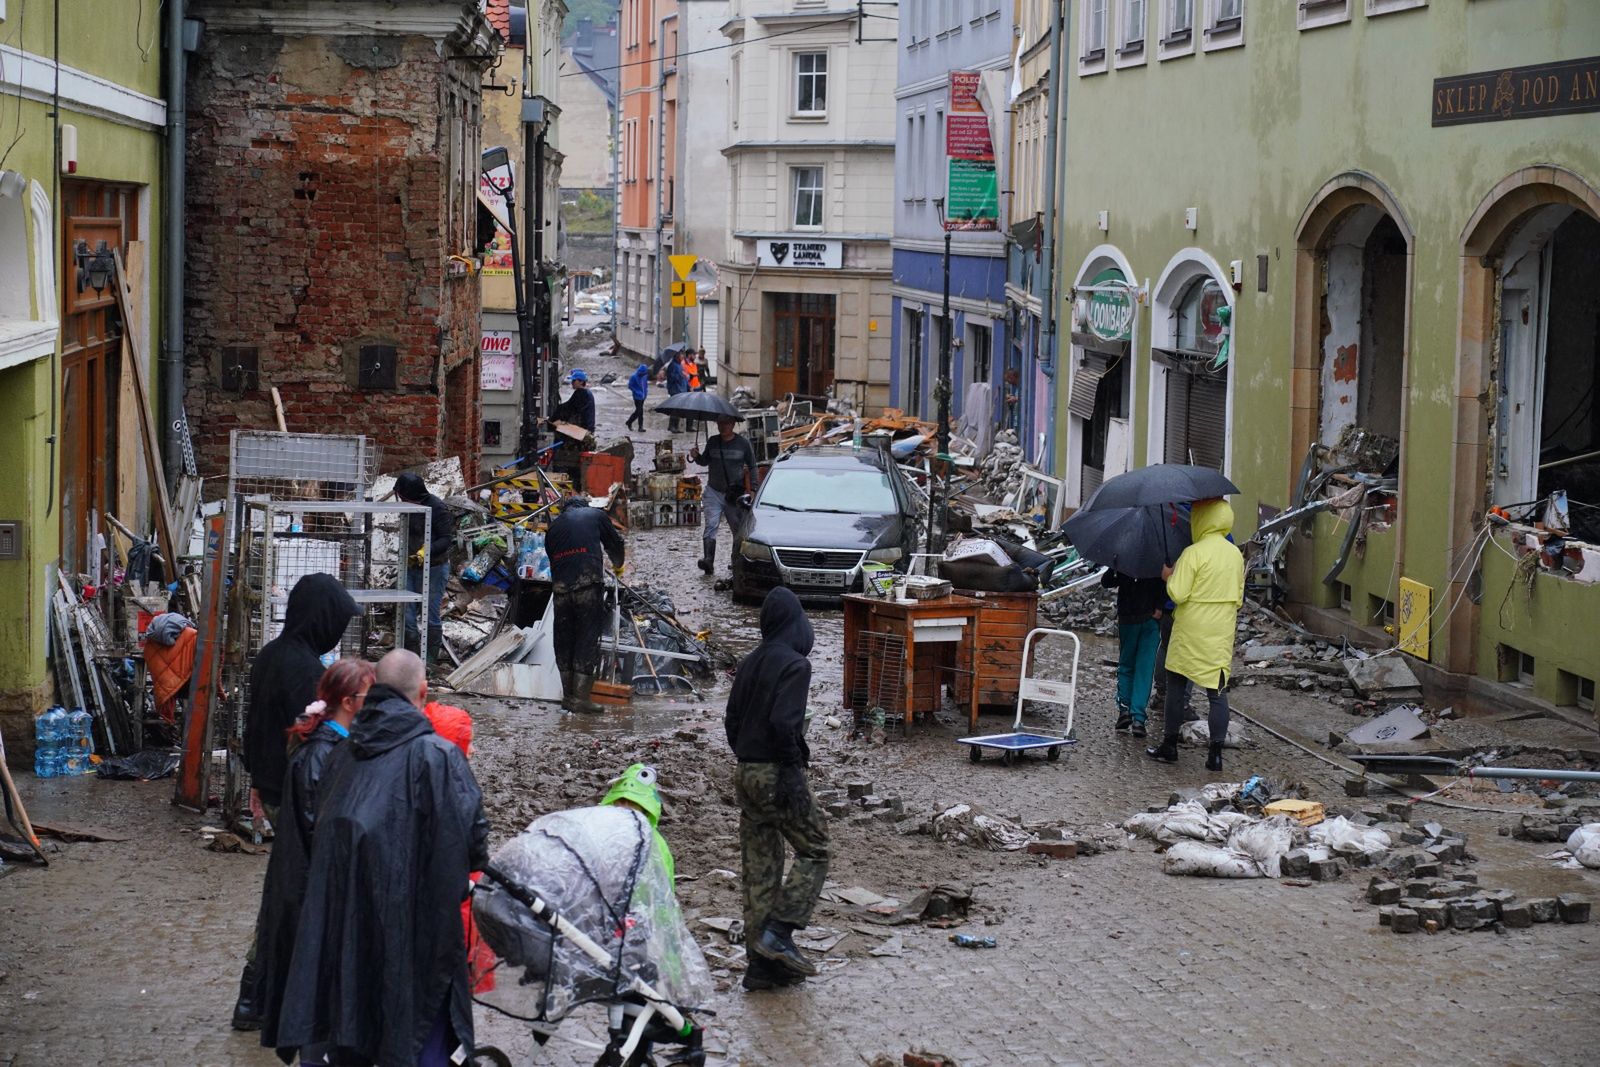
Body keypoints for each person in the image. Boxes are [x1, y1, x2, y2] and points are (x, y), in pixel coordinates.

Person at [275, 650, 489, 1067]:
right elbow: (473, 845)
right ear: (423, 692)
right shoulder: (438, 757)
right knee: (413, 1032)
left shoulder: (339, 752)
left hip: (344, 932)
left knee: (351, 1031)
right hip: (413, 937)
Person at [233, 572, 358, 1032]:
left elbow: (254, 725)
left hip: (275, 791)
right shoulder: (307, 672)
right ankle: (258, 996)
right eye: (337, 622)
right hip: (298, 800)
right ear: (320, 619)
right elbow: (315, 745)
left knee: (289, 895)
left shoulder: (271, 655)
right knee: (294, 898)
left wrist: (256, 781)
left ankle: (264, 996)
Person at [252, 658, 375, 1061]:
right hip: (310, 893)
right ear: (349, 701)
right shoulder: (320, 757)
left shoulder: (327, 747)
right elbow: (318, 832)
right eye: (368, 696)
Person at [723, 588, 830, 989]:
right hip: (775, 773)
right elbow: (787, 724)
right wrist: (788, 771)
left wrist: (748, 757)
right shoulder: (795, 665)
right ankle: (780, 933)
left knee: (760, 869)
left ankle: (761, 966)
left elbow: (731, 720)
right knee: (816, 848)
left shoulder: (751, 661)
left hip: (745, 772)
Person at [1147, 498, 1245, 772]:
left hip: (1191, 629)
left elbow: (1178, 593)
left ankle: (1169, 746)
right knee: (1217, 692)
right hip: (1221, 629)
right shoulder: (1235, 554)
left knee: (1176, 687)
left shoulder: (1193, 553)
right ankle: (1215, 756)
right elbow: (1239, 596)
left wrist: (1169, 576)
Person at [545, 495, 626, 713]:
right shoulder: (596, 515)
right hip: (587, 584)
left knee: (564, 639)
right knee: (586, 637)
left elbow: (552, 557)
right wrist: (619, 565)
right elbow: (615, 543)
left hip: (561, 589)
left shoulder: (553, 527)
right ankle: (581, 698)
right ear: (584, 506)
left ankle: (568, 696)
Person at [395, 471, 456, 665]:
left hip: (435, 567)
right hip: (411, 567)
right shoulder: (407, 506)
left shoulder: (437, 507)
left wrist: (425, 551)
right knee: (407, 615)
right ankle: (409, 661)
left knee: (430, 616)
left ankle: (428, 662)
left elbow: (447, 538)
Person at [689, 415, 756, 576]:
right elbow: (704, 461)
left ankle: (736, 561)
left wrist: (753, 488)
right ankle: (708, 560)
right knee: (711, 525)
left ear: (733, 424)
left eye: (726, 423)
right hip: (713, 491)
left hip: (734, 495)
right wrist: (696, 456)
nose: (723, 426)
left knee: (737, 529)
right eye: (720, 423)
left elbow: (753, 466)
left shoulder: (743, 444)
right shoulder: (713, 441)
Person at [1101, 569, 1165, 738]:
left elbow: (1106, 581)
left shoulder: (1124, 556)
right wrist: (1159, 606)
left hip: (1128, 618)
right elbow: (1167, 583)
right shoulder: (1159, 554)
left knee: (1126, 666)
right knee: (1144, 670)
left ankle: (1124, 710)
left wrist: (1114, 567)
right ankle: (1138, 718)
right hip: (1150, 619)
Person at [551, 368, 597, 434]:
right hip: (587, 427)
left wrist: (558, 420)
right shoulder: (583, 392)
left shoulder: (582, 394)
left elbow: (571, 408)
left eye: (574, 381)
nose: (572, 383)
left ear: (581, 382)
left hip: (585, 428)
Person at [662, 353, 689, 433]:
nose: (683, 357)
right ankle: (673, 426)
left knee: (678, 409)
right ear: (677, 356)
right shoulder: (672, 365)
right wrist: (681, 375)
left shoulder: (679, 365)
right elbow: (672, 378)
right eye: (681, 355)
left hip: (680, 390)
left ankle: (674, 426)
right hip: (675, 390)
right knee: (675, 409)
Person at [626, 362, 651, 432]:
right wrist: (636, 391)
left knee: (639, 411)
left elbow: (645, 385)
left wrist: (645, 392)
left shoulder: (644, 376)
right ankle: (634, 424)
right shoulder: (634, 377)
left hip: (643, 396)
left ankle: (632, 423)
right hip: (637, 397)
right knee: (639, 411)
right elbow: (630, 386)